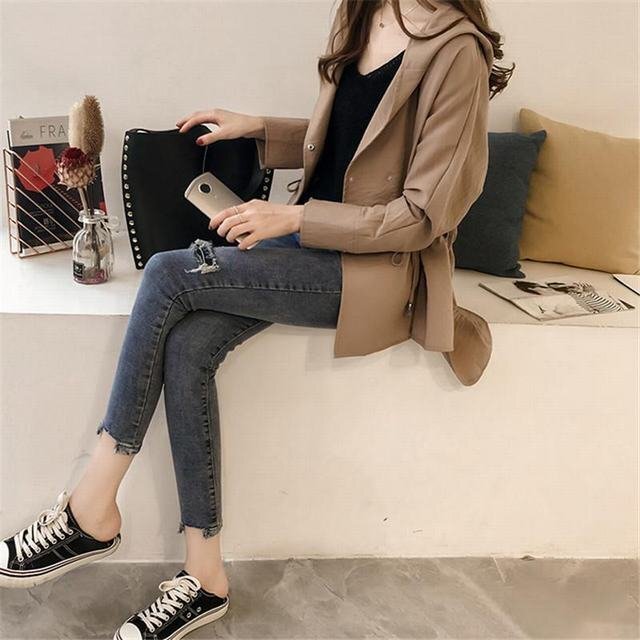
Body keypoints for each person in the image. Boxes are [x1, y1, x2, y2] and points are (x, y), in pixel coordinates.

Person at [0, 1, 513, 638]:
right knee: (188, 344)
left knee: (167, 273)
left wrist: (293, 217)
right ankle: (204, 578)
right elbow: (354, 142)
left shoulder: (458, 52)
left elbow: (421, 215)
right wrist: (259, 129)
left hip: (372, 270)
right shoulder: (360, 12)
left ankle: (91, 509)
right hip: (309, 243)